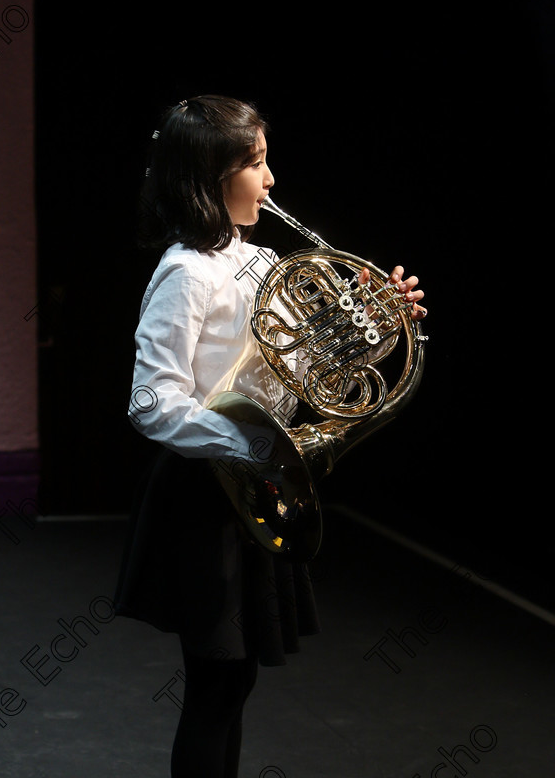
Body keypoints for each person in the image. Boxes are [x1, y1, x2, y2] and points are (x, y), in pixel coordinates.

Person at [113, 94, 426, 778]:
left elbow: (297, 374)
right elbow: (152, 403)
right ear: (210, 177)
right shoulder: (185, 274)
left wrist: (372, 330)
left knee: (236, 682)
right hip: (202, 497)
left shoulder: (258, 264)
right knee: (214, 686)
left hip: (254, 487)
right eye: (256, 163)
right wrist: (255, 445)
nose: (271, 179)